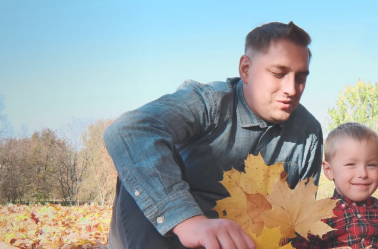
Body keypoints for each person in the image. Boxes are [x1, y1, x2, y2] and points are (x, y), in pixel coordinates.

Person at [105, 22, 323, 249]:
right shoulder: (208, 103)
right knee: (141, 158)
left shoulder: (309, 135)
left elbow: (296, 224)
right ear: (246, 69)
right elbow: (128, 130)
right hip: (167, 238)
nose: (292, 89)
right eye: (279, 73)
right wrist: (188, 221)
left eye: (301, 78)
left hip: (242, 244)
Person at [293, 122, 378, 249]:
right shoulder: (316, 217)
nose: (363, 173)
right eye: (351, 164)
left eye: (371, 165)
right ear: (329, 170)